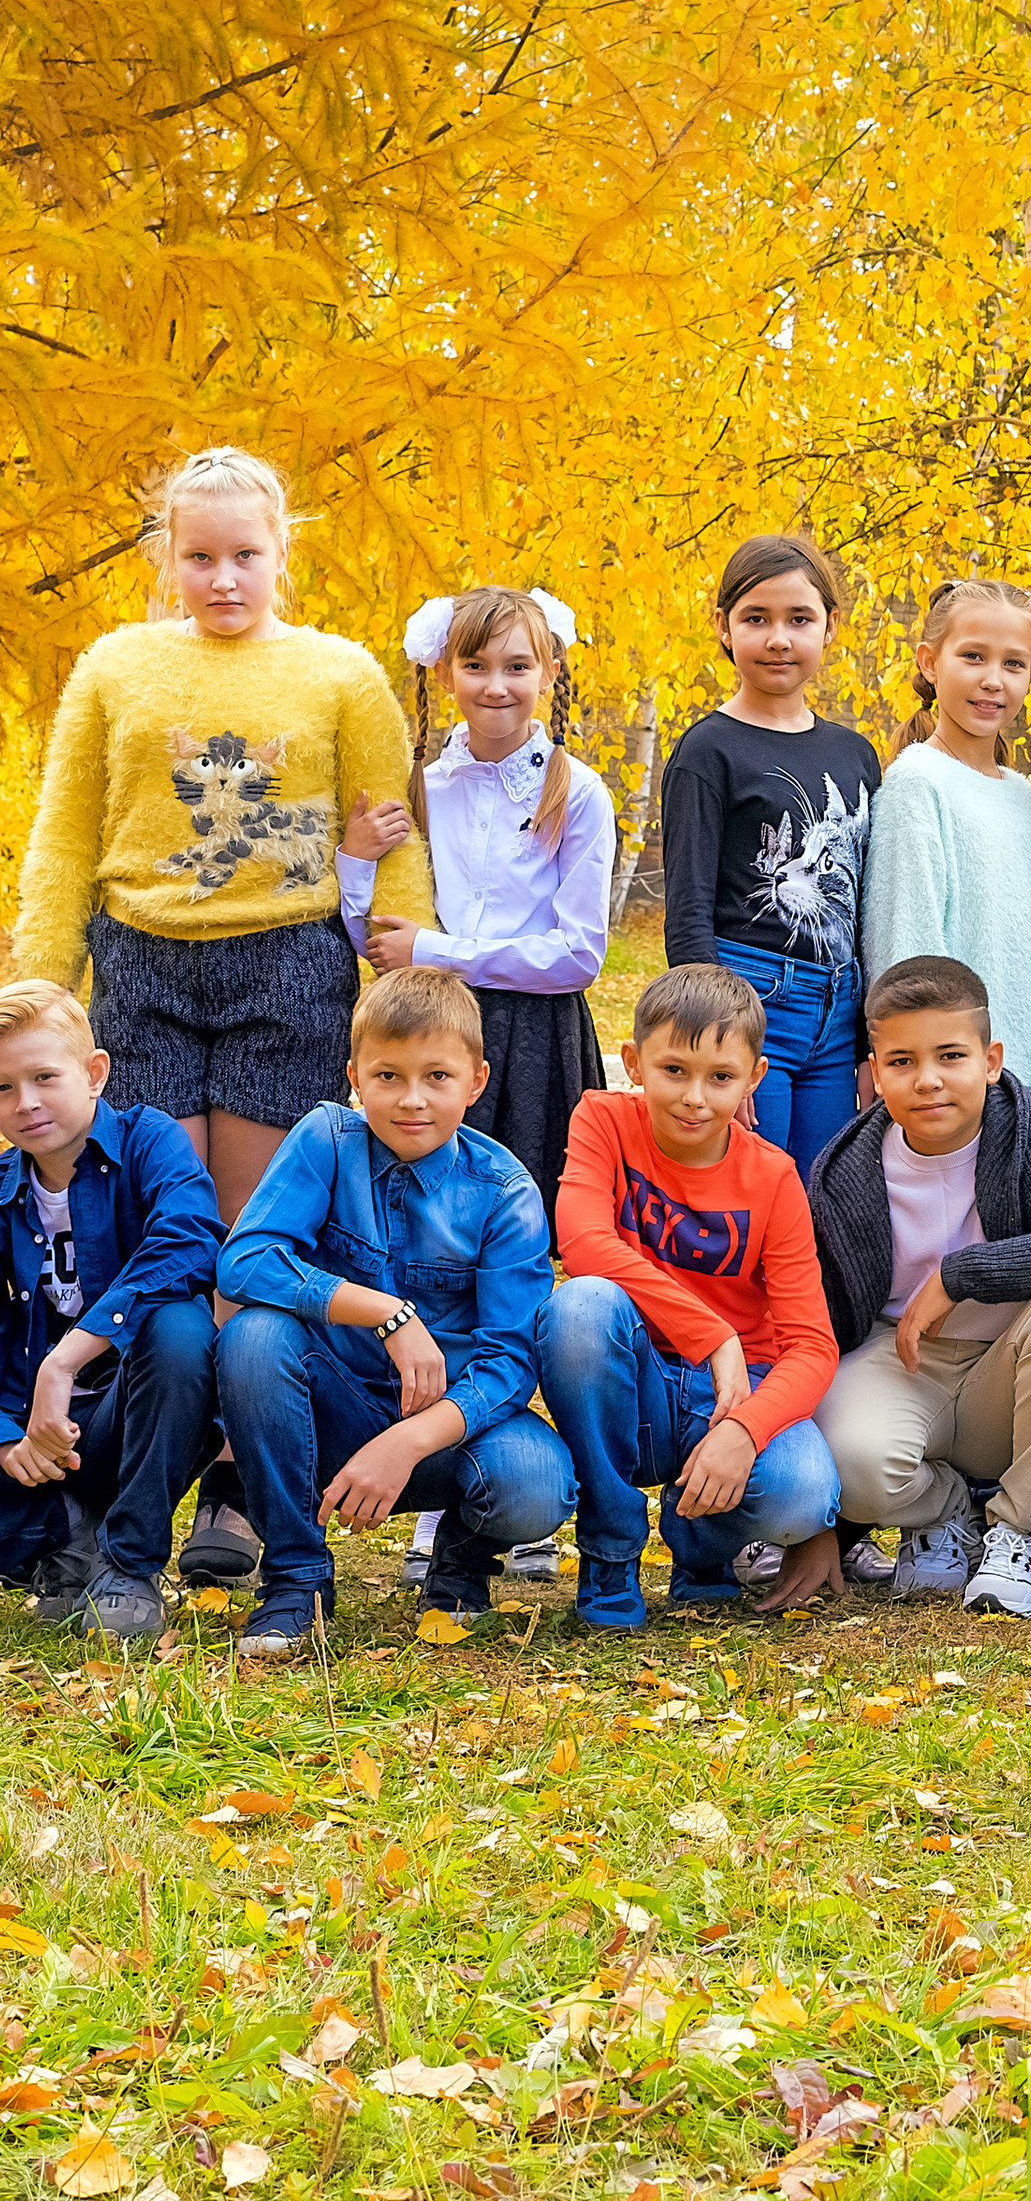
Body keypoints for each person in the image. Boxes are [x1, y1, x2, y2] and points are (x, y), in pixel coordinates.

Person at [12, 446, 433, 1587]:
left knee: (254, 1241)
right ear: (168, 557)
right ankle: (124, 1482)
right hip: (140, 964)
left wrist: (400, 992)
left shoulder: (341, 675)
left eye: (245, 554)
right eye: (199, 556)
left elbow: (393, 841)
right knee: (146, 1235)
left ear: (282, 548)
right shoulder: (116, 667)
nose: (224, 578)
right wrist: (39, 992)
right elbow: (62, 836)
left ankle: (245, 1495)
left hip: (286, 963)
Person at [214, 969, 576, 1659]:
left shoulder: (504, 1192)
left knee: (534, 1486)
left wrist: (407, 1443)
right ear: (355, 1077)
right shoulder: (327, 1139)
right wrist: (388, 1314)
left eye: (437, 1077)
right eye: (388, 1077)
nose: (412, 1101)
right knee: (254, 1335)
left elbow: (508, 1363)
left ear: (475, 1082)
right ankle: (296, 1579)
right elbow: (245, 1261)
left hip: (450, 1428)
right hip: (330, 1411)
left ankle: (461, 1562)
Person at [784, 956, 1031, 1621]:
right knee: (853, 1464)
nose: (928, 1081)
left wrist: (958, 1275)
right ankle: (946, 1511)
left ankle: (1016, 1530)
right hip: (901, 1362)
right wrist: (820, 1528)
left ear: (991, 1058)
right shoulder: (844, 1169)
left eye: (950, 1055)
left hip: (1016, 1373)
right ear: (873, 1071)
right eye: (901, 1062)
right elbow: (818, 1322)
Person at [537, 964, 844, 1627]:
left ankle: (701, 1547)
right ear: (634, 1061)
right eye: (674, 1070)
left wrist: (744, 1427)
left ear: (754, 1079)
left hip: (732, 1392)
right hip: (635, 1380)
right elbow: (584, 1244)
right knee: (580, 1306)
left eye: (721, 1077)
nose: (694, 1098)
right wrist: (713, 1334)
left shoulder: (774, 1178)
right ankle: (611, 1550)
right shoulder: (602, 1121)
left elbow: (813, 1347)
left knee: (802, 1493)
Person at [342, 586, 613, 1229]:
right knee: (423, 1221)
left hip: (537, 1038)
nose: (497, 686)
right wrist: (355, 860)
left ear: (550, 671)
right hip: (428, 1032)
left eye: (518, 667)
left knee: (525, 1222)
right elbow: (378, 939)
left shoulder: (578, 794)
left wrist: (436, 953)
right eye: (476, 666)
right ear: (444, 672)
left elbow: (578, 956)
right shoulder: (421, 787)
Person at [0, 980, 224, 1640]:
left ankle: (128, 1563)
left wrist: (64, 1362)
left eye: (44, 1077)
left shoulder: (148, 1140)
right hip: (31, 1440)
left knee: (180, 1326)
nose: (26, 1103)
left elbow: (189, 1241)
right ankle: (68, 1541)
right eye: (3, 1088)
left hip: (129, 1414)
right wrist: (7, 1434)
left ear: (94, 1073)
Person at [660, 533, 884, 1179]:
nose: (778, 638)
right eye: (756, 619)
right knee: (754, 1183)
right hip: (751, 1002)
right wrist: (717, 1045)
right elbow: (687, 913)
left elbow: (863, 908)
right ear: (724, 627)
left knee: (826, 1192)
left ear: (830, 628)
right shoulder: (708, 752)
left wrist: (868, 1046)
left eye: (799, 620)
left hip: (839, 1011)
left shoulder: (856, 756)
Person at [862, 581, 1031, 1108]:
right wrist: (928, 1069)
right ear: (930, 662)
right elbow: (905, 945)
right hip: (957, 1090)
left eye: (1013, 664)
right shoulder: (917, 782)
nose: (992, 680)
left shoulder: (1030, 802)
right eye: (973, 657)